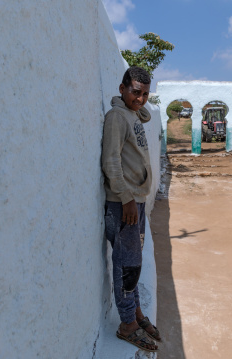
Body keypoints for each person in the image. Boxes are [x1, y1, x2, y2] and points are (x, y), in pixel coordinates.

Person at [102, 66, 161, 352]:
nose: (141, 99)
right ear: (122, 87)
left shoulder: (133, 113)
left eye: (146, 94)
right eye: (136, 92)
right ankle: (127, 325)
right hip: (123, 203)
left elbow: (143, 112)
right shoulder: (116, 117)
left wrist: (138, 107)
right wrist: (125, 198)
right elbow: (110, 160)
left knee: (134, 263)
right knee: (126, 265)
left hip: (135, 200)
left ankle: (136, 314)